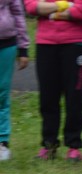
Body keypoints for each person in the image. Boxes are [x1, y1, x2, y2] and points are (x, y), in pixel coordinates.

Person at [23, 0, 82, 162]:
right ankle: (49, 144)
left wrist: (48, 12)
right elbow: (32, 7)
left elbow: (80, 11)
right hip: (45, 44)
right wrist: (64, 5)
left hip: (74, 44)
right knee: (48, 97)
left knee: (74, 97)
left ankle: (73, 146)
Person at [0, 0, 29, 161]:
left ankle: (2, 141)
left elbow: (18, 13)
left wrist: (23, 48)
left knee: (1, 93)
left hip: (6, 44)